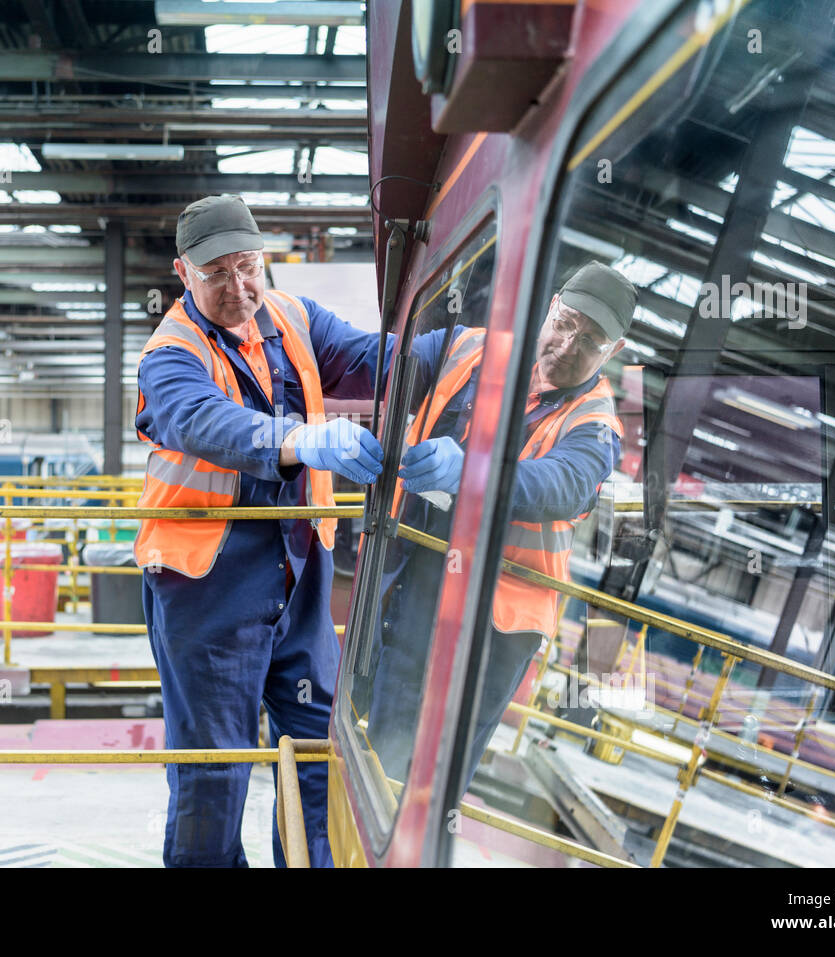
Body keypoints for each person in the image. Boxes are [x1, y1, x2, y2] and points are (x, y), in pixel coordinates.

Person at [133, 194, 390, 868]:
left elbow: (372, 357)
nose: (238, 286)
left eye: (249, 266)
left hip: (297, 580)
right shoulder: (170, 355)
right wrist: (305, 440)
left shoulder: (294, 317)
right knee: (214, 770)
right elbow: (208, 424)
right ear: (182, 273)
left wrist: (469, 356)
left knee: (316, 750)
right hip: (206, 591)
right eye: (216, 272)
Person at [366, 261, 634, 798]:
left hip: (491, 623)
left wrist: (470, 473)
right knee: (372, 737)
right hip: (410, 573)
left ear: (613, 353)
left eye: (592, 340)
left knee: (430, 777)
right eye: (567, 323)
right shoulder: (472, 349)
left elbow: (562, 485)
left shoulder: (596, 426)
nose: (569, 344)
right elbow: (375, 360)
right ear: (551, 306)